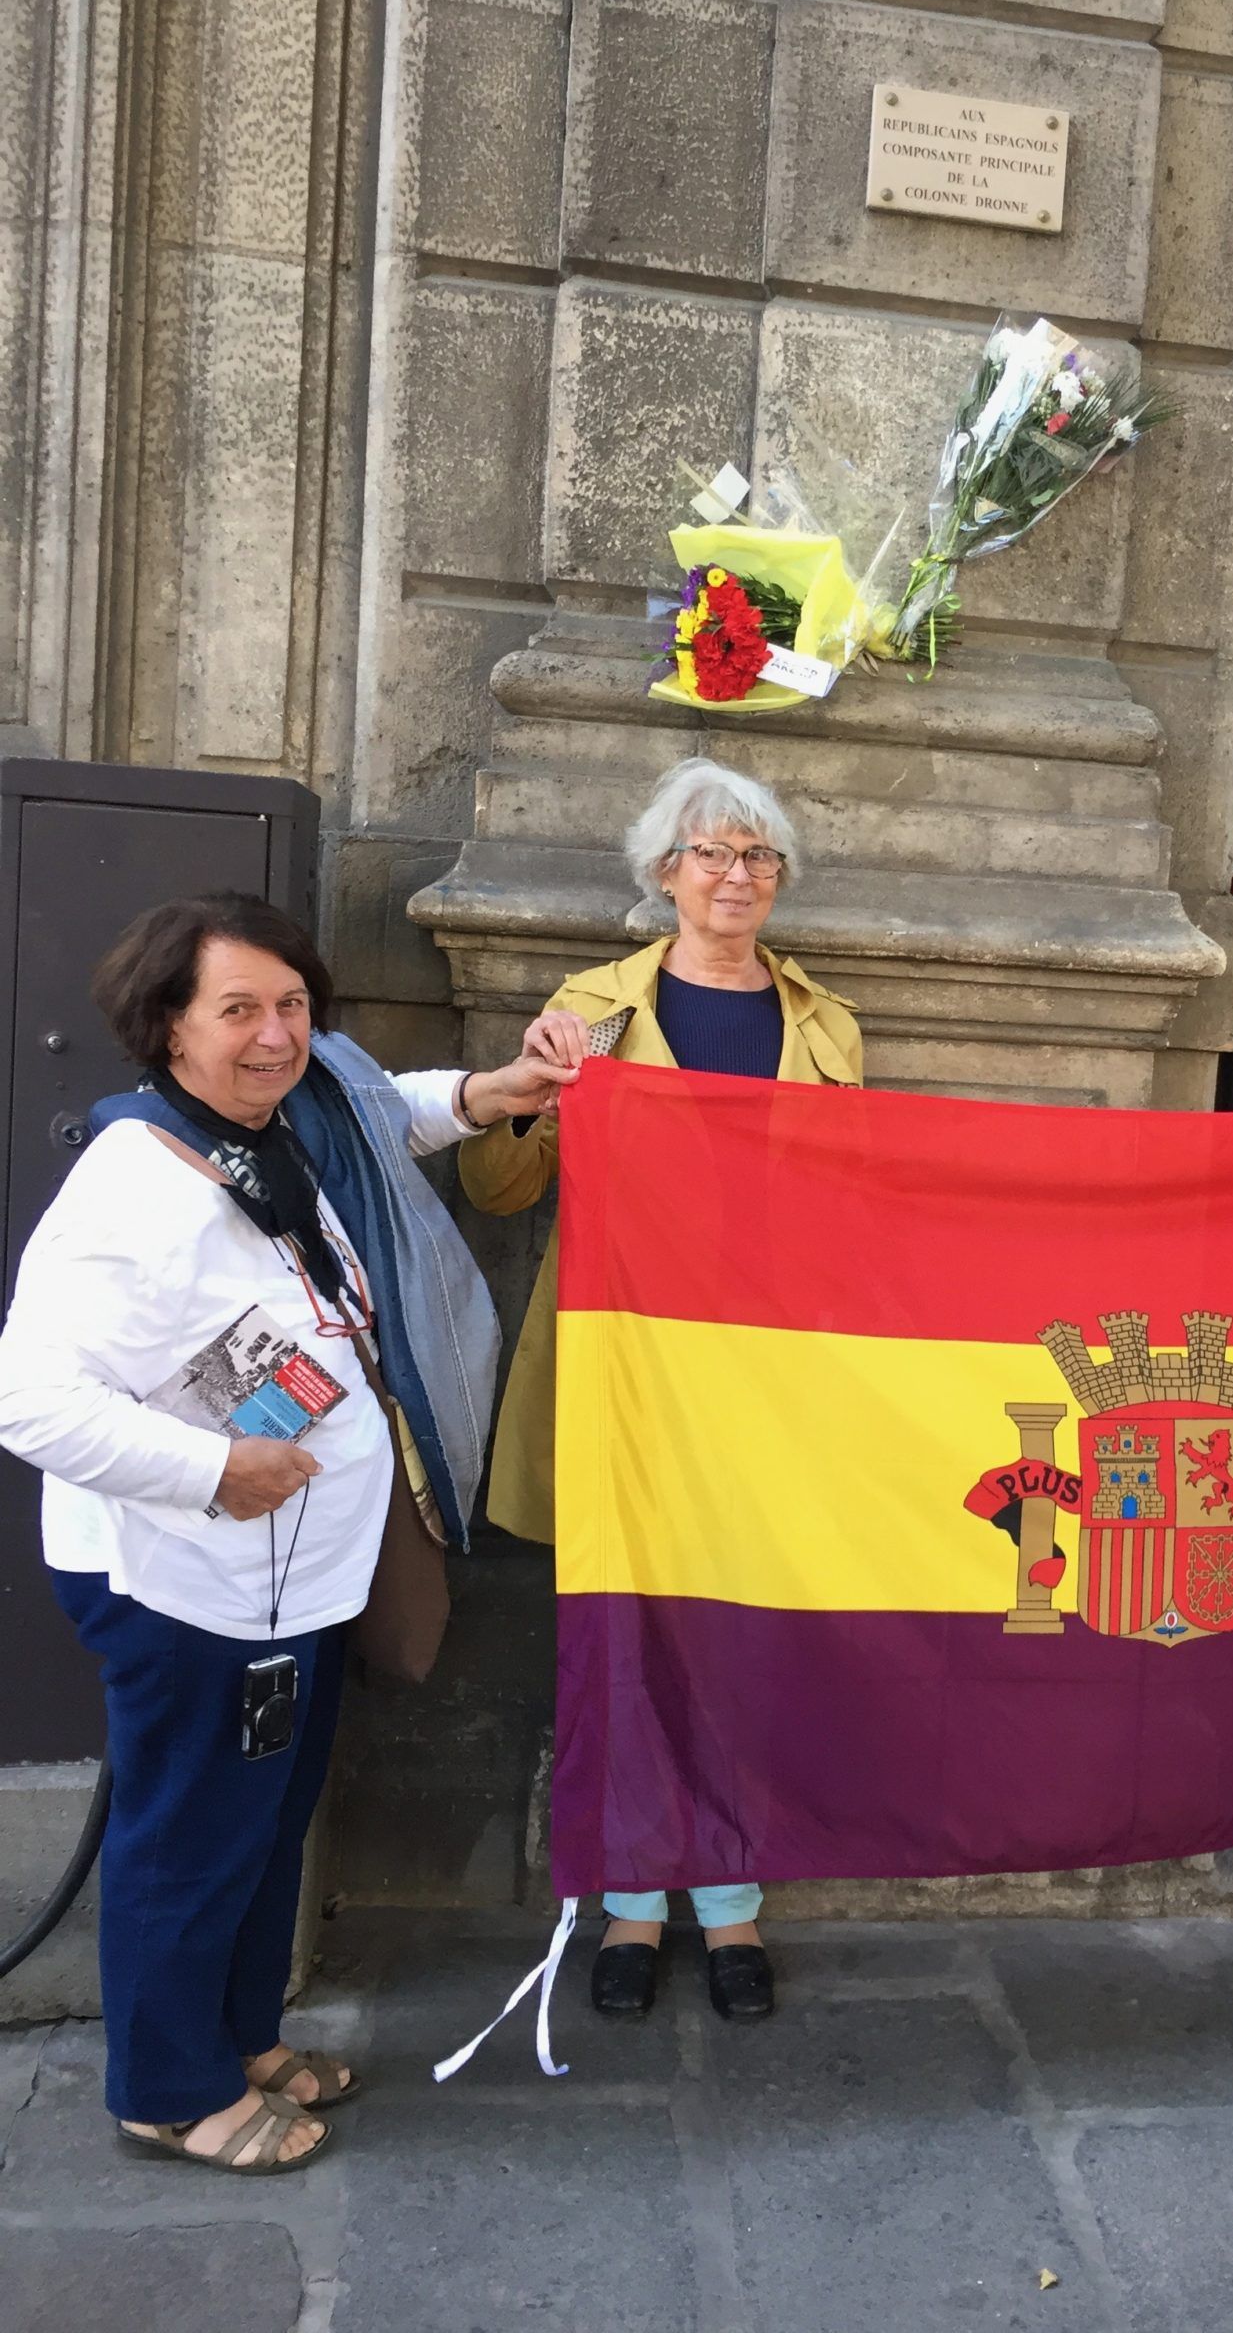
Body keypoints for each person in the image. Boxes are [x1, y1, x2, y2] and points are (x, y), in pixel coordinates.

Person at [0, 894, 573, 2172]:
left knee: (263, 1824)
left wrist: (490, 1093)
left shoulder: (278, 1121)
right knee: (193, 1836)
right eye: (240, 1010)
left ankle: (242, 2037)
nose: (276, 1036)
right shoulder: (134, 1186)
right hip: (190, 1583)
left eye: (294, 1005)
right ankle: (168, 2088)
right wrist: (214, 1468)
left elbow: (386, 1112)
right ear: (170, 1026)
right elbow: (29, 1400)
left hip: (289, 1578)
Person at [461, 758, 862, 2023]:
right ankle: (632, 1901)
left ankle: (733, 1902)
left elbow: (854, 1201)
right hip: (627, 1367)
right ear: (664, 873)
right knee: (627, 1633)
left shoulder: (826, 1024)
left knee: (743, 1635)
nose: (737, 875)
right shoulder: (590, 1012)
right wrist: (532, 1096)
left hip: (764, 1372)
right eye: (712, 853)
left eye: (759, 855)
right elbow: (498, 1189)